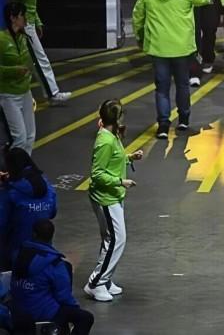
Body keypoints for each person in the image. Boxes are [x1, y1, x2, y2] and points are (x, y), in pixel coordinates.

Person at [132, 0, 212, 138]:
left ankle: (163, 125)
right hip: (182, 48)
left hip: (158, 47)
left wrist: (140, 37)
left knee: (162, 87)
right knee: (182, 84)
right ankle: (183, 120)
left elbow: (138, 17)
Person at [84, 99, 143, 302]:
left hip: (113, 195)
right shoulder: (106, 141)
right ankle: (96, 283)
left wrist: (129, 158)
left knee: (110, 239)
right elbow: (97, 174)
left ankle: (105, 279)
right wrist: (120, 181)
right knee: (117, 239)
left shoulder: (112, 135)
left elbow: (113, 160)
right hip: (106, 198)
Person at [8, 0, 71, 104]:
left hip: (28, 23)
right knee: (40, 59)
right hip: (25, 25)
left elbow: (30, 3)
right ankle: (52, 94)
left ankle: (22, 94)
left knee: (30, 61)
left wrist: (38, 22)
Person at [11, 219, 94, 334]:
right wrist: (74, 308)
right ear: (52, 236)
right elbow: (64, 297)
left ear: (33, 234)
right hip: (43, 312)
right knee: (85, 318)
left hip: (17, 309)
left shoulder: (18, 254)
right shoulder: (55, 264)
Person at [0, 148, 57, 270]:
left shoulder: (10, 192)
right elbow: (52, 212)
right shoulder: (46, 184)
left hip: (16, 252)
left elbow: (2, 223)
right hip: (44, 253)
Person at [0, 3, 35, 155]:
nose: (25, 19)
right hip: (9, 95)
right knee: (20, 138)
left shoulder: (23, 38)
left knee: (30, 136)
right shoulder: (1, 40)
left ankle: (24, 166)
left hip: (25, 92)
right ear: (13, 18)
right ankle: (14, 166)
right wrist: (14, 71)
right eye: (22, 15)